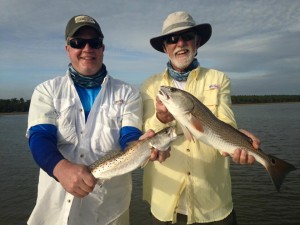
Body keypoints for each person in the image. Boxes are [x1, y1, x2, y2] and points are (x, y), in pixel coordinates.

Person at [141, 11, 260, 225]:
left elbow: (226, 120)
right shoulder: (151, 86)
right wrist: (160, 118)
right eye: (172, 39)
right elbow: (146, 133)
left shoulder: (219, 78)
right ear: (164, 48)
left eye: (187, 36)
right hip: (164, 203)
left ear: (197, 42)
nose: (180, 43)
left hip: (213, 203)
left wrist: (237, 142)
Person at [26, 15, 145, 225]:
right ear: (67, 49)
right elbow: (39, 137)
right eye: (78, 43)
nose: (87, 48)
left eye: (95, 43)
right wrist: (60, 168)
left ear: (103, 48)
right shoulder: (46, 91)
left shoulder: (128, 93)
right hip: (55, 209)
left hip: (109, 208)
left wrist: (144, 146)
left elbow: (130, 135)